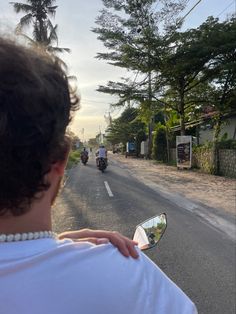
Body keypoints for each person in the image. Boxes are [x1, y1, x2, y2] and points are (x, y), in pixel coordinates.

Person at [0, 37, 197, 314]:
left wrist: (54, 244)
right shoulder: (129, 274)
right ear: (61, 159)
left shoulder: (101, 151)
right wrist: (50, 247)